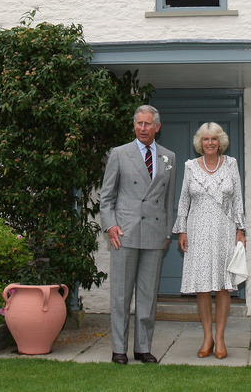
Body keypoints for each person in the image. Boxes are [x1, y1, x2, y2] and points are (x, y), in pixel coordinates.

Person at [99, 105, 177, 365]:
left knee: (147, 295)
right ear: (134, 125)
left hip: (155, 236)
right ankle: (118, 349)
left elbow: (168, 200)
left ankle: (143, 348)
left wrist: (167, 232)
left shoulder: (169, 157)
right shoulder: (119, 154)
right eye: (138, 123)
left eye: (147, 124)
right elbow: (107, 196)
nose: (142, 128)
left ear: (157, 126)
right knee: (121, 295)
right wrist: (110, 226)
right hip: (125, 234)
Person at [172, 122, 246, 360]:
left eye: (214, 139)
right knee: (203, 288)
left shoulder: (231, 164)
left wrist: (241, 229)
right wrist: (181, 230)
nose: (210, 143)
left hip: (225, 229)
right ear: (200, 143)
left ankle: (221, 338)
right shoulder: (190, 166)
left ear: (220, 141)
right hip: (197, 230)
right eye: (206, 139)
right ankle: (207, 337)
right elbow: (184, 200)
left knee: (224, 287)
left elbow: (238, 200)